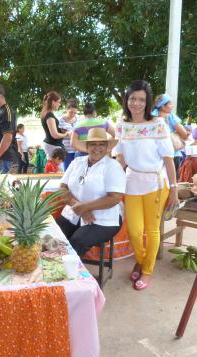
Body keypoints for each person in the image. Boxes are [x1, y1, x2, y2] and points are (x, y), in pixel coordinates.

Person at [115, 80, 178, 291]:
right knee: (134, 231)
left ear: (148, 102)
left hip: (156, 183)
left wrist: (175, 189)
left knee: (151, 231)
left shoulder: (158, 124)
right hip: (131, 182)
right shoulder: (122, 125)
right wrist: (112, 181)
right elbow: (121, 159)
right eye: (133, 98)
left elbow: (169, 159)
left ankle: (147, 270)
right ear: (127, 100)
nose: (136, 103)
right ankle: (142, 260)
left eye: (141, 99)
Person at [56, 128, 125, 256]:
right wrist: (78, 206)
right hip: (73, 213)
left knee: (77, 241)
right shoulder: (77, 162)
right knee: (53, 237)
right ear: (87, 146)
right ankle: (52, 269)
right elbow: (62, 188)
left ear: (107, 147)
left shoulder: (113, 167)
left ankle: (67, 273)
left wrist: (85, 207)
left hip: (103, 220)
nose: (97, 148)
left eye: (101, 144)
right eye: (93, 144)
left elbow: (115, 198)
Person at [152, 94, 188, 177]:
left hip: (155, 155)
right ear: (163, 106)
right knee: (172, 181)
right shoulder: (170, 117)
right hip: (172, 154)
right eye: (170, 104)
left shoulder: (151, 117)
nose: (172, 106)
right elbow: (184, 134)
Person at [40, 91, 70, 160]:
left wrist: (60, 130)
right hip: (52, 145)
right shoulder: (49, 115)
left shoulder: (46, 113)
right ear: (53, 102)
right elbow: (54, 135)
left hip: (52, 144)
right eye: (59, 102)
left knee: (54, 168)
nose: (59, 104)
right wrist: (66, 134)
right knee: (55, 169)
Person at [58, 99, 79, 170]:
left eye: (75, 113)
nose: (73, 114)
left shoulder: (79, 120)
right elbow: (57, 135)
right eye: (71, 112)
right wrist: (67, 134)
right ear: (66, 109)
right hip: (66, 150)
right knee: (67, 171)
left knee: (77, 171)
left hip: (78, 150)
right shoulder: (60, 120)